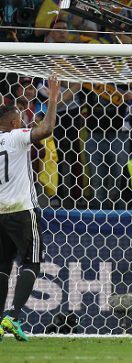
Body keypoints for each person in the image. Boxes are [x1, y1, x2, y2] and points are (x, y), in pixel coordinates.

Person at [0, 74, 60, 342]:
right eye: (21, 119)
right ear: (13, 123)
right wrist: (53, 100)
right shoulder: (16, 136)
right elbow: (45, 131)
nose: (24, 121)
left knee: (1, 267)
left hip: (0, 211)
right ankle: (12, 316)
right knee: (32, 263)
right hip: (22, 210)